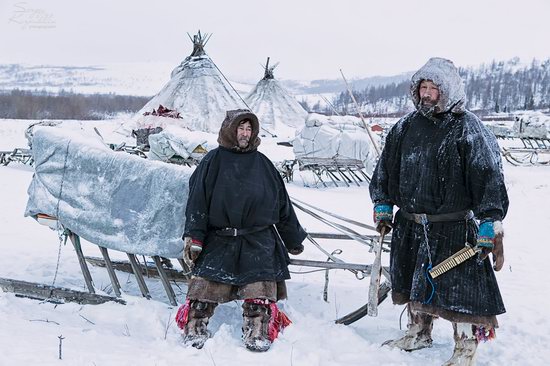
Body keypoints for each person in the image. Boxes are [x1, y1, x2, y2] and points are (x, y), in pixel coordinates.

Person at [369, 57, 508, 365]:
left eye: (433, 89)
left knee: (460, 292)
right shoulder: (405, 127)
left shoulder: (467, 128)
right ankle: (418, 332)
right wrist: (382, 203)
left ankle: (465, 346)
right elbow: (386, 170)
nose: (427, 94)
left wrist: (489, 223)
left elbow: (488, 177)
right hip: (411, 224)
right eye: (423, 88)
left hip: (453, 228)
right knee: (415, 283)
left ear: (448, 91)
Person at [175, 109, 306, 352]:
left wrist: (292, 237)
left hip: (258, 239)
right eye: (240, 128)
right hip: (220, 237)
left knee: (260, 293)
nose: (245, 133)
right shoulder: (212, 161)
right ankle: (195, 328)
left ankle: (257, 330)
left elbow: (282, 203)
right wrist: (195, 236)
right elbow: (197, 202)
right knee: (203, 292)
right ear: (229, 130)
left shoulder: (263, 164)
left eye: (249, 129)